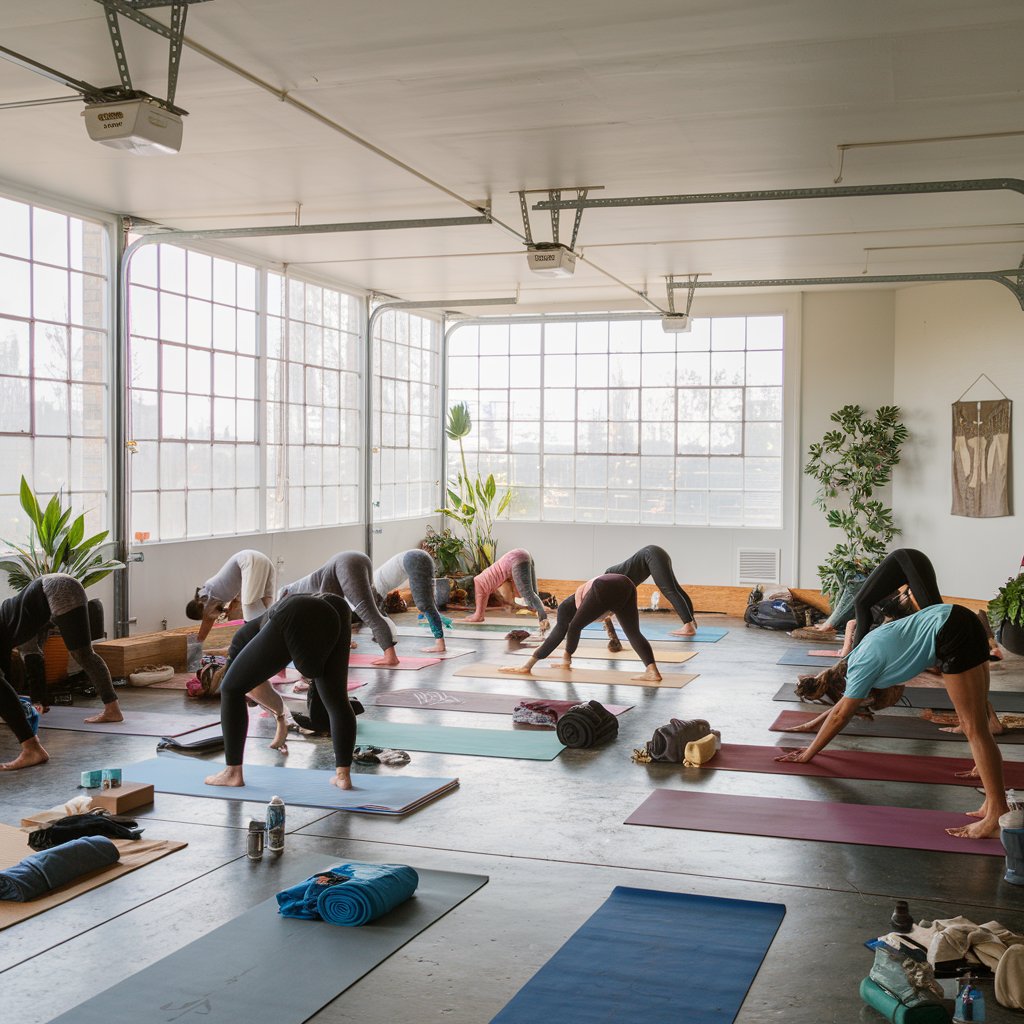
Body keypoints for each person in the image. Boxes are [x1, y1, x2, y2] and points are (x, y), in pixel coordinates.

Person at [775, 602, 1008, 840]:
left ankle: (997, 814)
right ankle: (991, 803)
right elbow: (841, 707)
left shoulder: (860, 671)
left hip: (950, 631)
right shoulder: (858, 654)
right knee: (978, 722)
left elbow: (840, 714)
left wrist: (808, 753)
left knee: (973, 728)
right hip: (961, 617)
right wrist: (810, 725)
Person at [204, 594, 356, 790]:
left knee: (230, 689)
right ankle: (343, 776)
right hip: (336, 608)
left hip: (299, 611)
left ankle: (232, 773)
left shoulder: (239, 643)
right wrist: (281, 720)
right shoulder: (260, 631)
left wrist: (280, 717)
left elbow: (249, 688)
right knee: (336, 700)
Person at [1, 574, 126, 770]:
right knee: (85, 653)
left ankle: (112, 711)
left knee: (82, 654)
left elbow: (29, 662)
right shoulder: (14, 619)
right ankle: (113, 709)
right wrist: (39, 700)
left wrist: (37, 701)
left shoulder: (12, 627)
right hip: (65, 584)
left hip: (55, 589)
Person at [499, 574, 662, 683]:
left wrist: (528, 665)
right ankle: (652, 671)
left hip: (606, 586)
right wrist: (566, 660)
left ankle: (529, 666)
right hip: (627, 584)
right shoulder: (583, 598)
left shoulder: (565, 607)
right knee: (633, 632)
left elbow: (563, 632)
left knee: (575, 627)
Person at [279, 551, 399, 666]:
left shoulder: (302, 590)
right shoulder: (316, 581)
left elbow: (326, 620)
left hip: (347, 563)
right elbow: (338, 614)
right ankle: (389, 652)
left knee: (368, 612)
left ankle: (390, 656)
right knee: (371, 610)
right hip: (357, 559)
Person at [605, 544, 697, 638]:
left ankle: (688, 626)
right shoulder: (612, 582)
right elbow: (618, 605)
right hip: (657, 553)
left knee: (669, 590)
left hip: (651, 554)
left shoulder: (608, 578)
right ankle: (690, 621)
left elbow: (612, 604)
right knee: (675, 589)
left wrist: (608, 618)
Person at [186, 549, 276, 644]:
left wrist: (197, 642)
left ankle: (256, 644)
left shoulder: (207, 596)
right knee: (267, 606)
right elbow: (234, 582)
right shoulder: (212, 590)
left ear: (201, 612)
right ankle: (269, 638)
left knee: (250, 611)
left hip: (249, 561)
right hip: (261, 559)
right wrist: (233, 602)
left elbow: (208, 621)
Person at [373, 549, 446, 654]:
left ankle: (440, 644)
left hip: (413, 559)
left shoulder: (373, 588)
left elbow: (377, 615)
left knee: (424, 604)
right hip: (420, 556)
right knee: (427, 603)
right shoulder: (374, 580)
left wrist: (383, 637)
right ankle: (440, 642)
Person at [460, 548, 549, 631]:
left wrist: (478, 615)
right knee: (532, 594)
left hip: (517, 558)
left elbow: (480, 613)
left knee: (529, 595)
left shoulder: (480, 582)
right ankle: (542, 612)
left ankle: (543, 619)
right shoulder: (485, 580)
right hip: (524, 554)